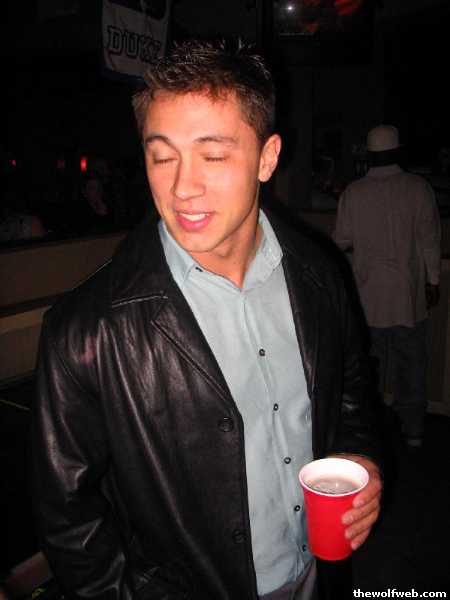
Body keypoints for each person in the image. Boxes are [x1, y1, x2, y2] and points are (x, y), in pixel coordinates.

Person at [33, 40, 382, 600]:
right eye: (162, 156)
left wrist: (360, 458)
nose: (182, 187)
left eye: (213, 155)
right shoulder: (86, 331)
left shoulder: (319, 273)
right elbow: (68, 518)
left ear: (267, 158)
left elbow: (350, 394)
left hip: (320, 576)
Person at [334, 124, 441, 449]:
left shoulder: (354, 193)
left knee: (369, 372)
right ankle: (414, 431)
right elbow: (430, 240)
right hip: (408, 298)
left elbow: (341, 240)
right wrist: (433, 280)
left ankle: (371, 433)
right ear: (398, 152)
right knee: (413, 366)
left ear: (369, 155)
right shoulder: (418, 188)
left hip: (368, 298)